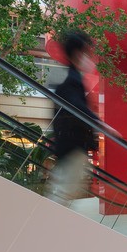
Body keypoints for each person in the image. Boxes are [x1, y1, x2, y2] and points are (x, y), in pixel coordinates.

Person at [46, 30, 101, 205]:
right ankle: (47, 227)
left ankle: (50, 227)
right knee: (63, 194)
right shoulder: (72, 80)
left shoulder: (70, 77)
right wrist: (101, 124)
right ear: (79, 53)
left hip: (69, 147)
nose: (90, 58)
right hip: (72, 148)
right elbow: (77, 107)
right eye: (88, 52)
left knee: (63, 193)